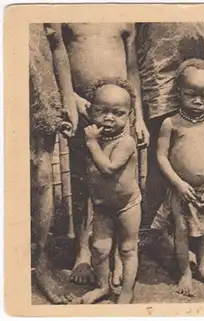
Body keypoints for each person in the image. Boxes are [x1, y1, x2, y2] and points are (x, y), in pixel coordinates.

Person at [54, 23, 148, 288]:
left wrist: (138, 117)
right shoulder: (65, 12)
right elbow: (57, 52)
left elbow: (132, 69)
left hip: (119, 110)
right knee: (84, 181)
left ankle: (120, 254)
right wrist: (70, 98)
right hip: (85, 109)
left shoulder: (125, 16)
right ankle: (83, 251)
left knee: (119, 182)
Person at [135, 22, 204, 243]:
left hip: (200, 53)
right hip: (159, 58)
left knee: (199, 144)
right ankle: (156, 236)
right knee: (161, 158)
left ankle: (196, 237)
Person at [157, 59, 204, 296]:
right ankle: (186, 272)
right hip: (181, 190)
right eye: (191, 94)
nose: (198, 101)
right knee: (182, 231)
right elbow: (162, 157)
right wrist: (178, 183)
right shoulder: (171, 123)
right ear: (179, 92)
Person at [75, 79, 141, 304]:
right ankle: (103, 286)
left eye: (118, 113)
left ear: (129, 116)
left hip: (127, 205)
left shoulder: (126, 142)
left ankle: (126, 291)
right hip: (102, 205)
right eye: (102, 111)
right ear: (91, 111)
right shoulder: (92, 137)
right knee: (99, 249)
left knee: (128, 248)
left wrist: (92, 144)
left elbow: (109, 168)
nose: (109, 118)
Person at [30, 23, 78, 304]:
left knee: (42, 175)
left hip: (36, 82)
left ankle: (42, 262)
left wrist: (68, 97)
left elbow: (57, 43)